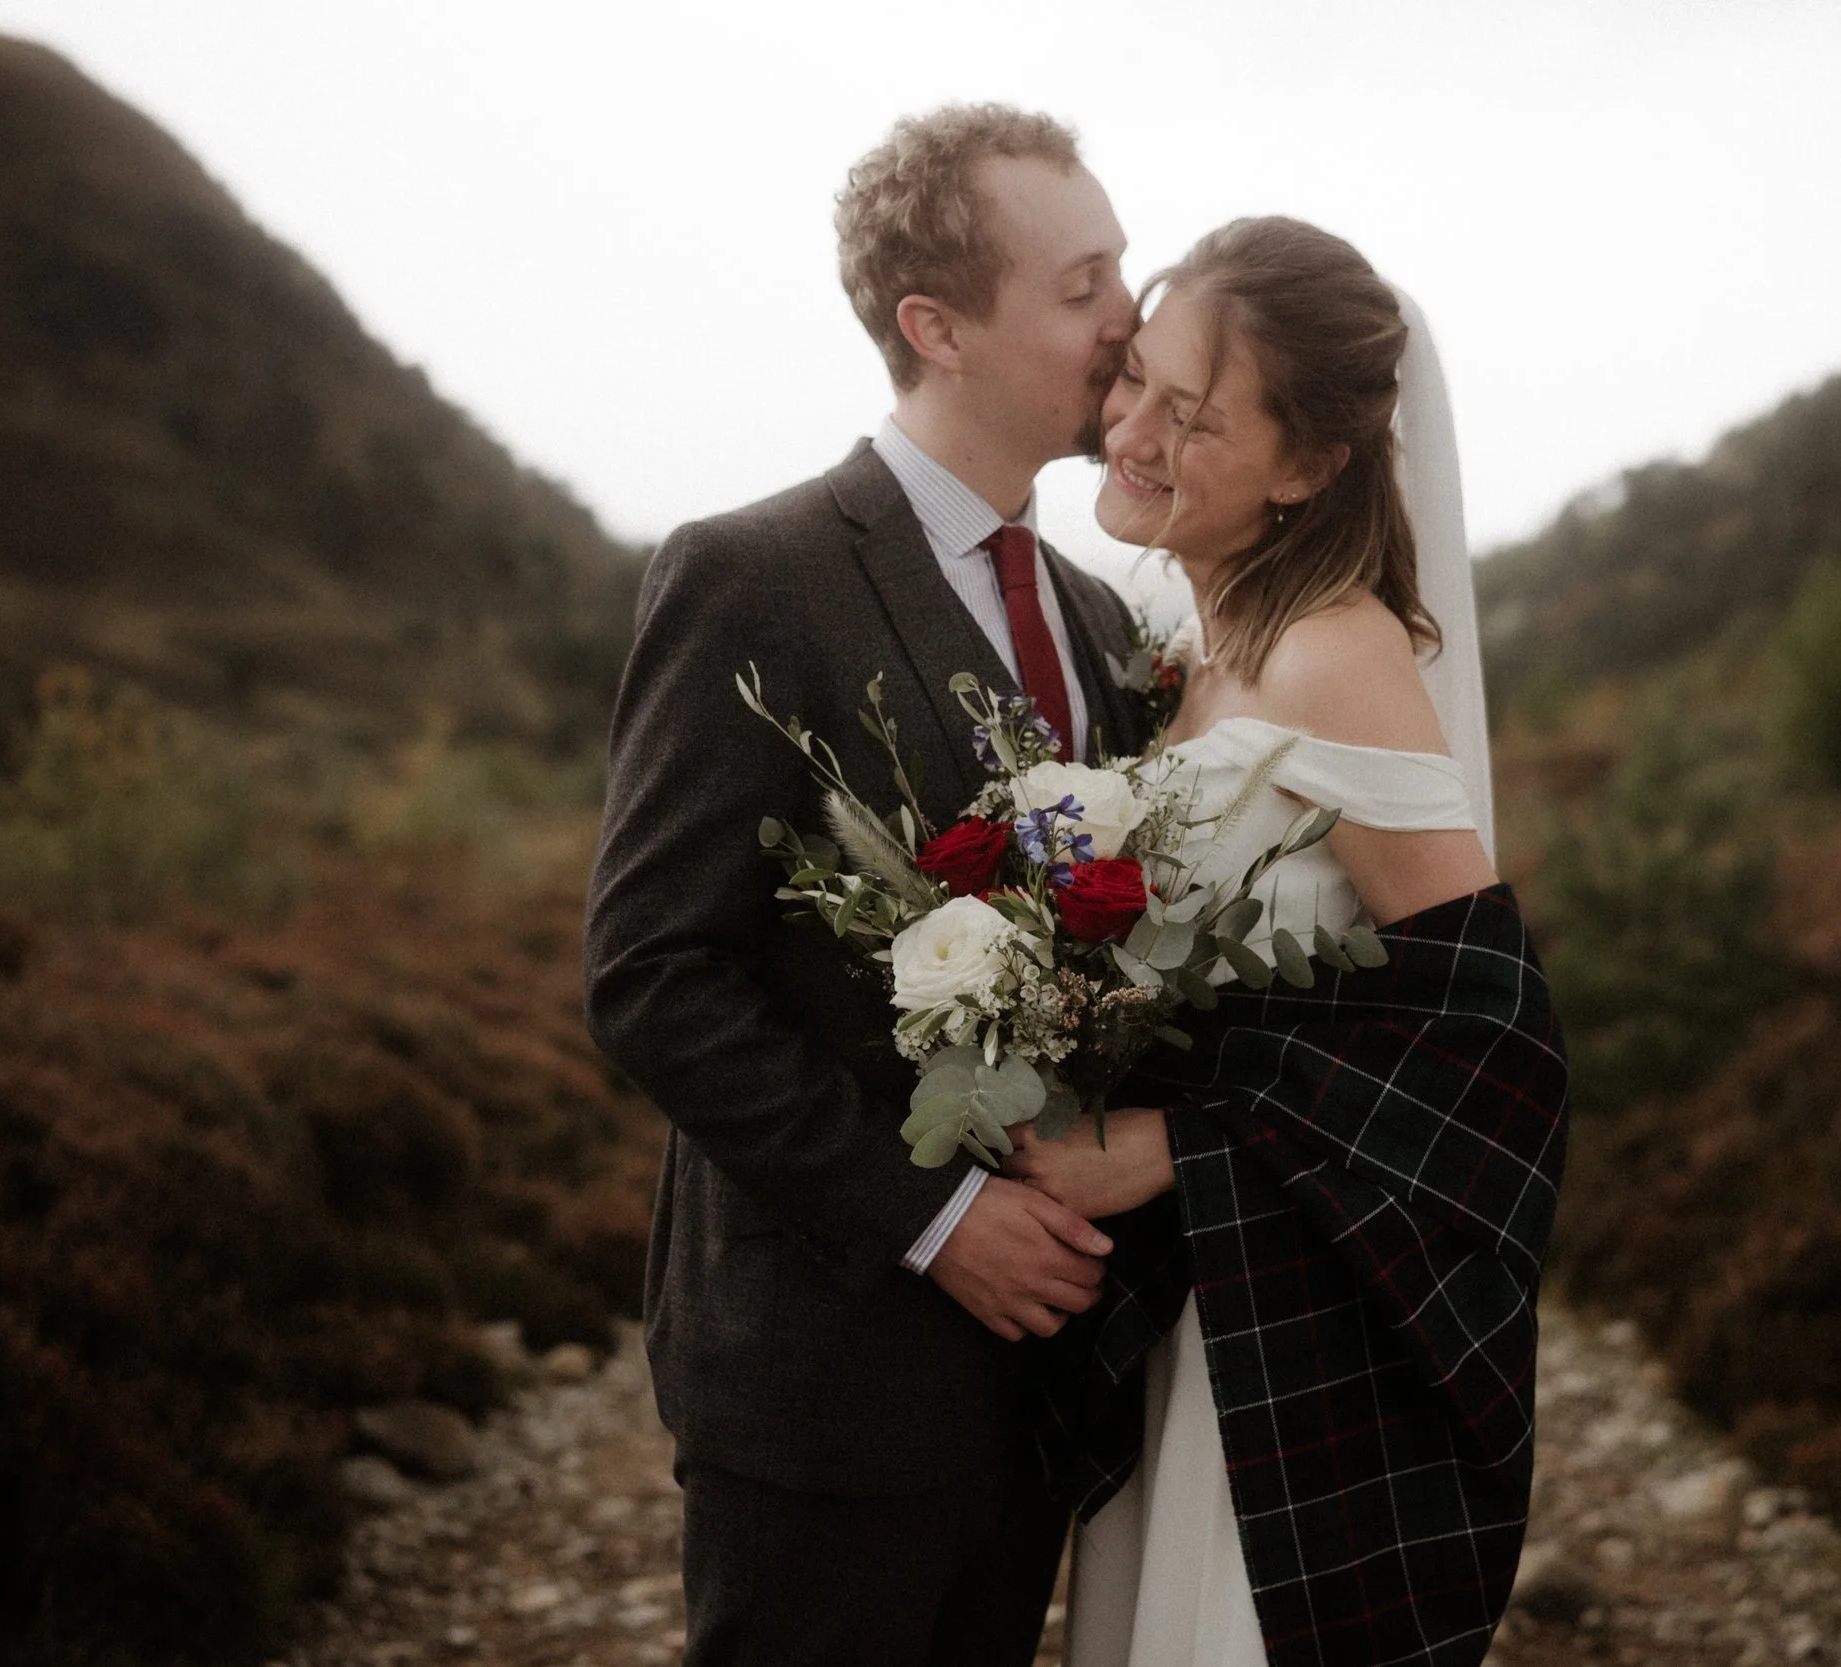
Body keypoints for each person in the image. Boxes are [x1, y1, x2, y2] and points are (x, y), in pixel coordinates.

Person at [583, 105, 1156, 1667]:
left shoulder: (1110, 624)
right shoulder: (752, 575)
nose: (1131, 320)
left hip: (1045, 1382)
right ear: (937, 326)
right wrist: (929, 1214)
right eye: (1084, 282)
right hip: (823, 1378)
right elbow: (650, 975)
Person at [1003, 219, 1570, 1667]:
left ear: (1311, 465)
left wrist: (1176, 1147)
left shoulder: (1334, 655)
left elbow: (1487, 1042)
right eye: (1133, 380)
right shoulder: (1169, 634)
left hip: (1298, 1314)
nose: (1127, 429)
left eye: (1190, 416)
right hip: (1197, 1302)